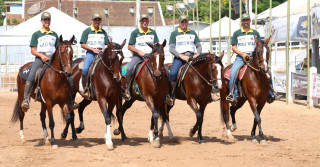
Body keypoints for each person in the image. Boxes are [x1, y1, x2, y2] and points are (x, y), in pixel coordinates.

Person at [21, 12, 78, 110]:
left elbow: (59, 49)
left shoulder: (54, 34)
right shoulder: (36, 34)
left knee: (69, 77)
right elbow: (33, 50)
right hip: (40, 59)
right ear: (41, 21)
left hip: (53, 59)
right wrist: (41, 56)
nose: (47, 21)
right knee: (31, 75)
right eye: (45, 20)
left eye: (48, 20)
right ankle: (26, 100)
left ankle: (70, 101)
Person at [226, 13, 276, 104]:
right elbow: (233, 47)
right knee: (233, 72)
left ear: (250, 21)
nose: (246, 22)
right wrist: (242, 54)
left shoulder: (255, 33)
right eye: (244, 20)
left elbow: (260, 45)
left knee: (269, 72)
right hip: (240, 58)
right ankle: (233, 94)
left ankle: (270, 92)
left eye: (247, 20)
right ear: (241, 21)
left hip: (253, 58)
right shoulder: (236, 33)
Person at [165, 14, 202, 106]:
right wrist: (181, 56)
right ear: (179, 23)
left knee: (203, 70)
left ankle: (208, 94)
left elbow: (199, 46)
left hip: (192, 57)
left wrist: (197, 54)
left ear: (187, 22)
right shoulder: (174, 33)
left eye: (185, 22)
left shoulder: (193, 33)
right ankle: (171, 95)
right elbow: (171, 49)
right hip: (179, 58)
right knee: (173, 73)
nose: (184, 23)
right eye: (182, 22)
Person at [123, 14, 159, 101]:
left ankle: (166, 92)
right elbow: (129, 46)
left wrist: (155, 51)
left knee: (163, 69)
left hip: (151, 57)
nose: (144, 22)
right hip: (138, 57)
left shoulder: (153, 32)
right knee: (130, 68)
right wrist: (139, 52)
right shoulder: (135, 32)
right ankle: (127, 90)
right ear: (140, 22)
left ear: (148, 22)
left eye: (146, 21)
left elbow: (156, 45)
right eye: (143, 21)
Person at [79, 13, 109, 98]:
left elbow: (107, 44)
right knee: (85, 69)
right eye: (95, 20)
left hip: (102, 54)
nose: (97, 21)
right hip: (91, 53)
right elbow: (82, 44)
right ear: (92, 20)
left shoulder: (103, 32)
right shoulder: (87, 31)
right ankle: (85, 87)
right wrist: (93, 50)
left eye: (99, 20)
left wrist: (103, 49)